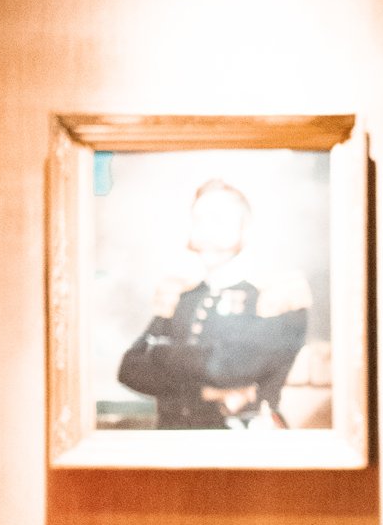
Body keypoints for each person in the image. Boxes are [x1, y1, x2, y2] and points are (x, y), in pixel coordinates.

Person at [116, 178, 311, 433]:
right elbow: (130, 369)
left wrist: (158, 353)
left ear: (245, 227)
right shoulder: (182, 295)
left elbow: (228, 368)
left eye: (218, 219)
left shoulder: (277, 294)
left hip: (244, 442)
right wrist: (207, 391)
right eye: (199, 219)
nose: (206, 229)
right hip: (172, 440)